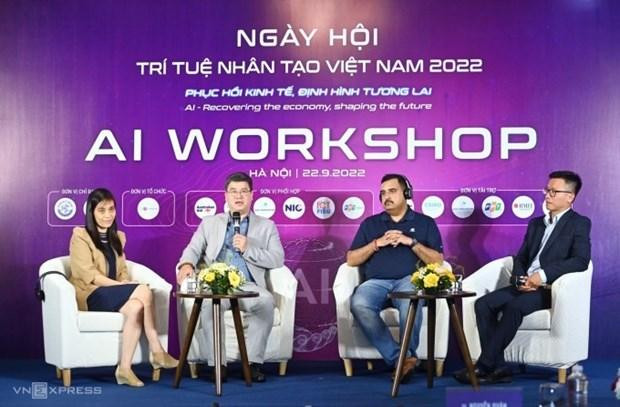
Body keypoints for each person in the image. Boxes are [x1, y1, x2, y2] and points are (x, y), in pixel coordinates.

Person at [455, 170, 592, 385]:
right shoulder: (536, 223)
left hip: (549, 289)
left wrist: (541, 276)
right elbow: (521, 257)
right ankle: (498, 367)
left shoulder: (579, 223)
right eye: (547, 190)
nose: (547, 195)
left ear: (570, 197)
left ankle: (484, 366)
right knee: (483, 304)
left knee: (514, 307)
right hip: (525, 284)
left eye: (553, 191)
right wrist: (519, 278)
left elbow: (580, 260)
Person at [177, 172, 284, 382]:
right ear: (225, 195)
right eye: (233, 191)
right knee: (210, 305)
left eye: (244, 191)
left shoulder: (266, 226)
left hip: (249, 285)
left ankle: (252, 364)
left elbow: (277, 258)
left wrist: (248, 248)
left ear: (252, 195)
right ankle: (218, 365)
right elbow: (193, 249)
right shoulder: (209, 223)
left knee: (266, 302)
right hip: (217, 284)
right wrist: (186, 264)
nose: (238, 196)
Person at [69, 188, 178, 387]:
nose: (107, 215)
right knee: (143, 290)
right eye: (101, 210)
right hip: (90, 294)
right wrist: (122, 286)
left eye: (111, 209)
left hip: (111, 293)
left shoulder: (117, 237)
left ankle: (124, 369)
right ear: (91, 212)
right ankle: (157, 351)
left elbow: (122, 271)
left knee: (136, 306)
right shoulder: (80, 236)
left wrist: (124, 283)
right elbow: (89, 276)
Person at [347, 174, 444, 382]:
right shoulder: (370, 224)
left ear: (406, 193)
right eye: (383, 193)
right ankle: (403, 359)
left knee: (411, 300)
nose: (386, 197)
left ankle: (403, 361)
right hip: (376, 282)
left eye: (392, 191)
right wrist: (376, 244)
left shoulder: (425, 223)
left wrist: (410, 242)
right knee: (359, 303)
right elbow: (351, 259)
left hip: (409, 279)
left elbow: (437, 261)